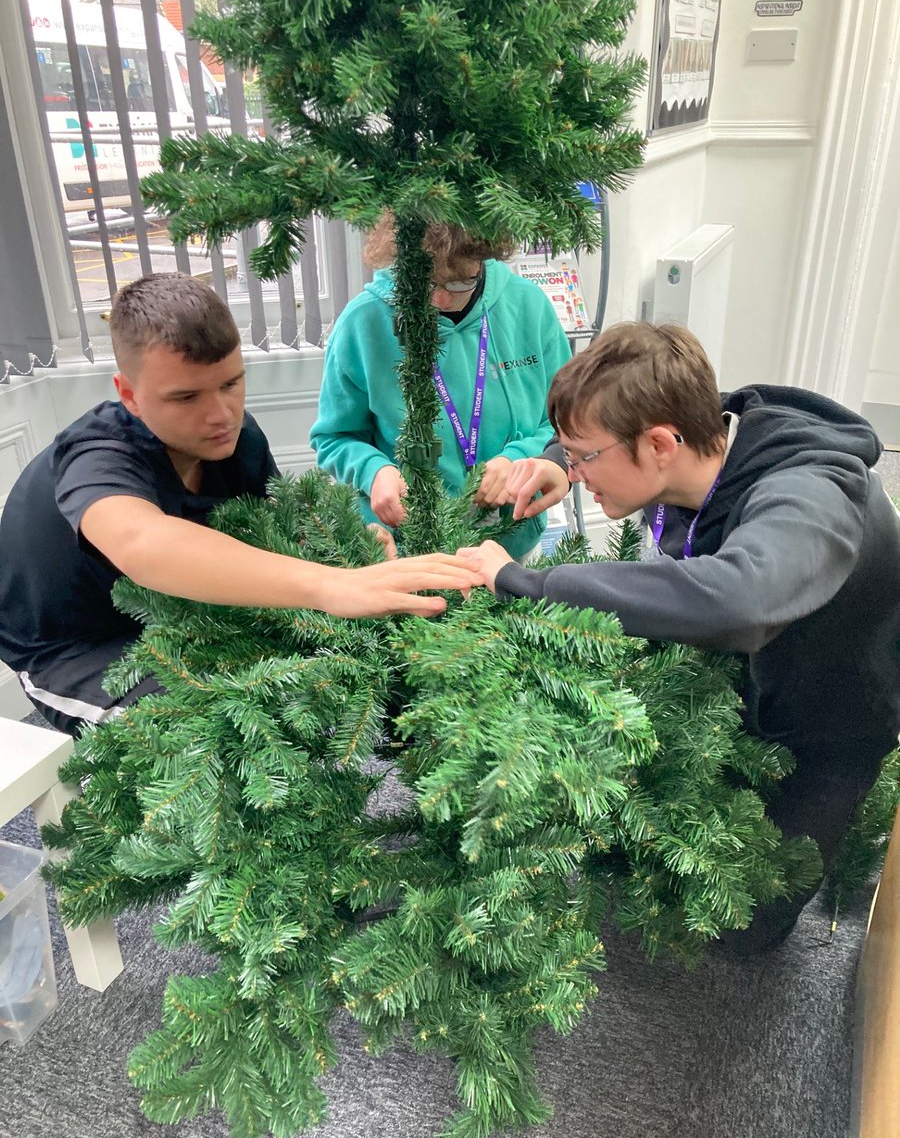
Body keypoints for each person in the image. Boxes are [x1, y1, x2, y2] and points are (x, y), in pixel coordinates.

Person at [460, 320, 900, 954]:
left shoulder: (808, 492)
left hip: (828, 724)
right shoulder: (693, 453)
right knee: (606, 822)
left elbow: (739, 600)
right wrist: (558, 462)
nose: (579, 474)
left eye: (585, 456)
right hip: (732, 687)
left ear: (661, 443)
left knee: (740, 929)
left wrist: (525, 581)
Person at [0, 272, 481, 736]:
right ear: (130, 396)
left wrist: (341, 548)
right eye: (185, 397)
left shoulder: (237, 439)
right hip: (75, 650)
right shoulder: (96, 454)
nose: (221, 415)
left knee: (326, 688)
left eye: (231, 384)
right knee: (216, 732)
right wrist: (330, 584)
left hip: (186, 616)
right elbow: (142, 542)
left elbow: (267, 527)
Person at [310, 215, 573, 560]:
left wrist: (519, 459)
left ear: (483, 260)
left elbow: (567, 423)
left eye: (459, 283)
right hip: (406, 547)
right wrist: (375, 472)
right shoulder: (361, 324)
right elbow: (335, 437)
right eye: (425, 282)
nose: (441, 300)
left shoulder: (529, 307)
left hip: (510, 541)